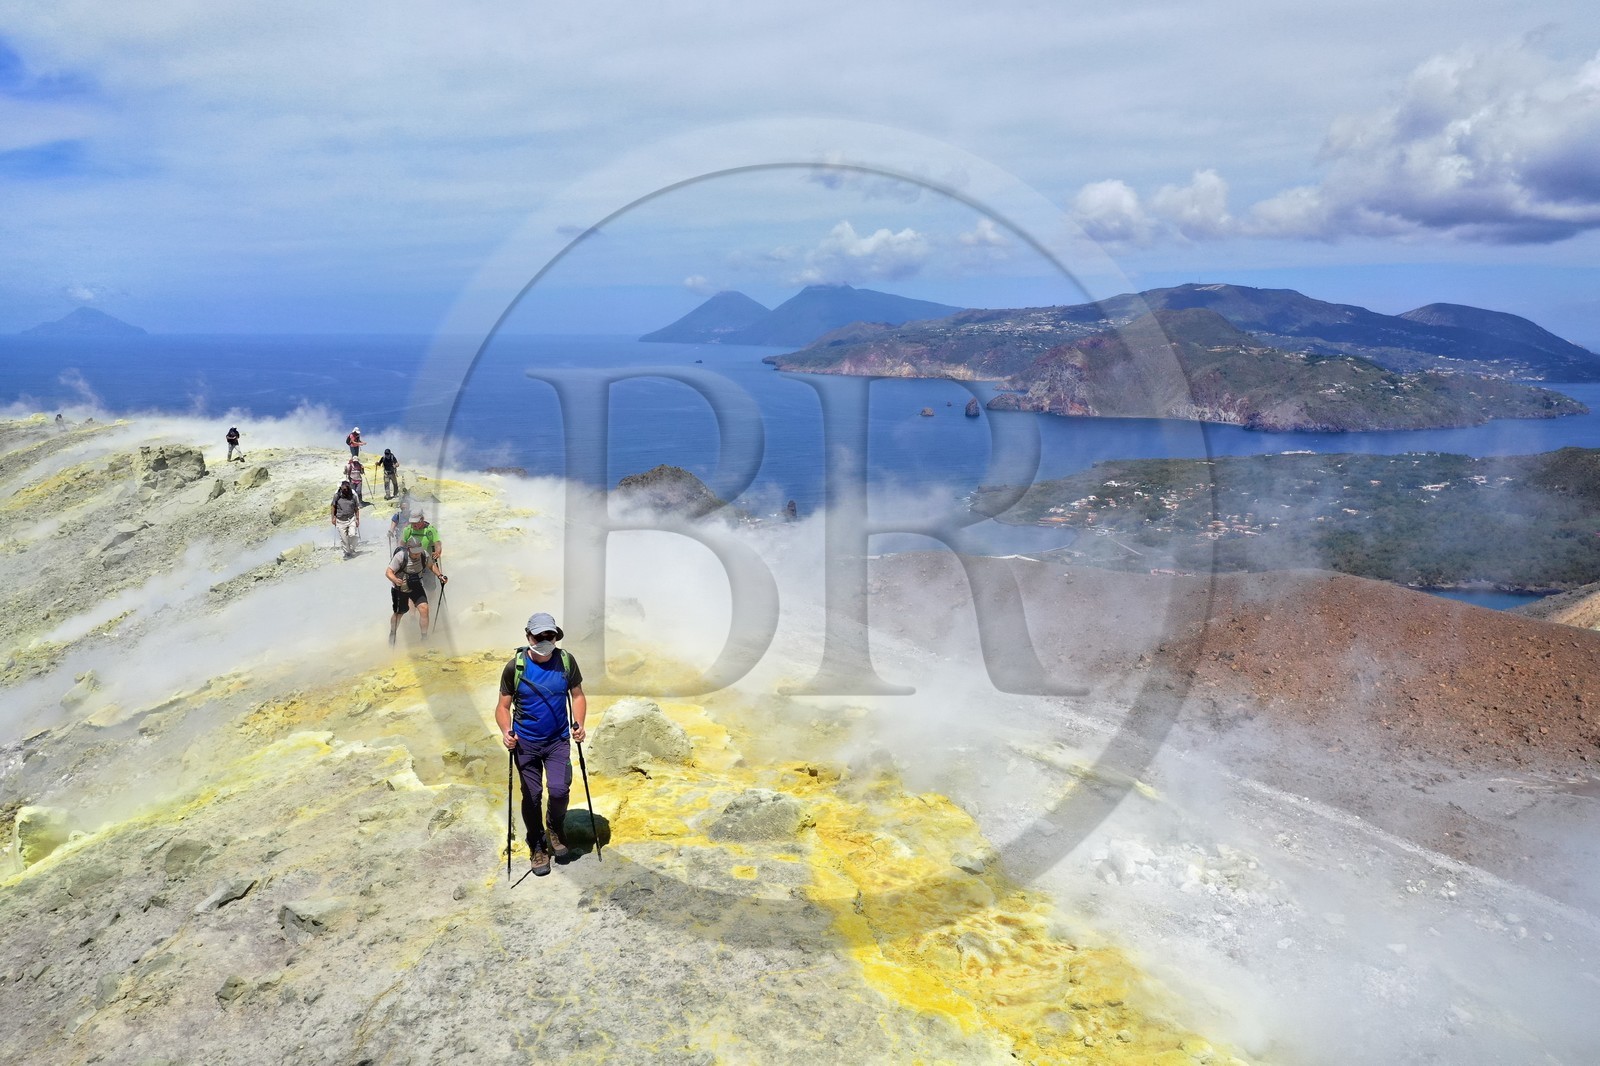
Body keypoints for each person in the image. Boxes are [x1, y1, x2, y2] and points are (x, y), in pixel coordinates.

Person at [495, 612, 587, 876]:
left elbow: (578, 696)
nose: (546, 640)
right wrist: (506, 730)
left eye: (551, 635)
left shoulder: (566, 661)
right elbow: (503, 707)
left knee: (559, 790)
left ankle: (555, 828)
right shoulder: (516, 666)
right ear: (528, 636)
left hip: (558, 740)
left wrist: (579, 724)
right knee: (532, 796)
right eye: (540, 636)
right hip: (526, 743)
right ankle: (536, 844)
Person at [386, 538, 446, 644]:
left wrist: (440, 576)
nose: (417, 554)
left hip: (415, 584)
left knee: (424, 609)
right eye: (415, 552)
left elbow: (431, 565)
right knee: (400, 612)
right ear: (409, 549)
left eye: (419, 551)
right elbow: (388, 572)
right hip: (400, 588)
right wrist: (395, 579)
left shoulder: (424, 554)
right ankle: (393, 632)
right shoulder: (400, 556)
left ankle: (424, 637)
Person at [331, 480, 361, 558]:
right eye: (344, 489)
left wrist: (357, 519)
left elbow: (356, 508)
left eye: (347, 488)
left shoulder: (353, 495)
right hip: (340, 520)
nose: (345, 490)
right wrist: (333, 517)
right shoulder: (337, 495)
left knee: (353, 535)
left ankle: (352, 549)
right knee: (344, 539)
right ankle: (347, 552)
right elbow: (333, 506)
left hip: (351, 518)